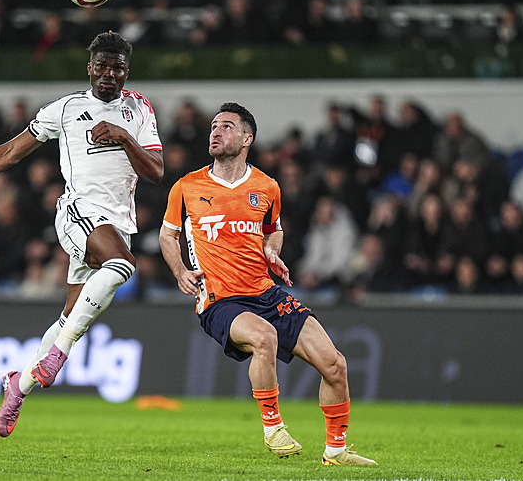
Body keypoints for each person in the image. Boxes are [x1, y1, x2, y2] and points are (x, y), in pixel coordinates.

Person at [0, 31, 164, 437]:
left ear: (127, 72)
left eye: (117, 68)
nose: (109, 74)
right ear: (89, 68)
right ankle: (56, 357)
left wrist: (123, 137)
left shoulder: (139, 109)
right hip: (79, 213)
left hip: (119, 223)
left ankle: (19, 385)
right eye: (102, 66)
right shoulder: (65, 109)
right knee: (122, 265)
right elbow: (10, 152)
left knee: (71, 317)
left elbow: (155, 171)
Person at [158, 102, 376, 466]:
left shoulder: (267, 186)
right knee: (264, 338)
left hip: (265, 292)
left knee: (335, 364)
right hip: (220, 299)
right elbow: (168, 235)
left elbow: (274, 230)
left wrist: (272, 251)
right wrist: (180, 270)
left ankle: (336, 451)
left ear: (247, 138)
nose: (215, 132)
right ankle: (273, 428)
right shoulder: (187, 186)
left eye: (226, 126)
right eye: (213, 126)